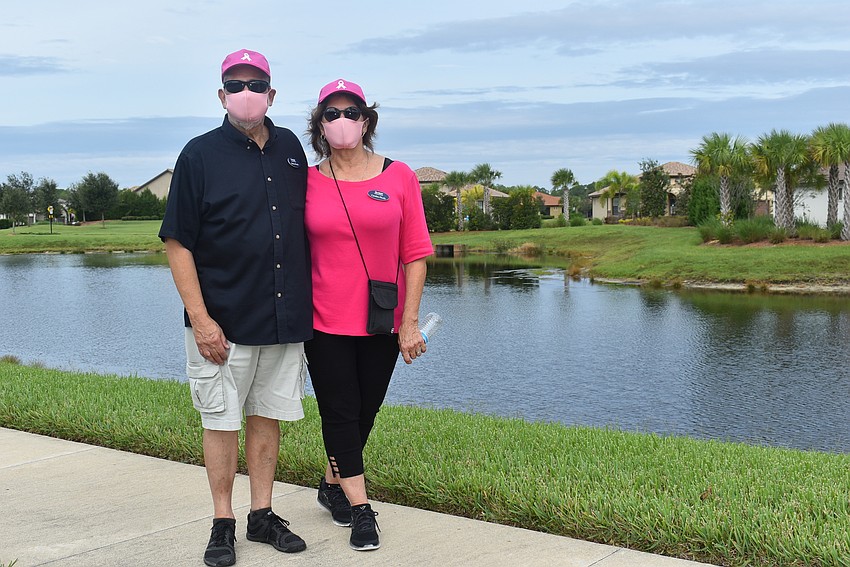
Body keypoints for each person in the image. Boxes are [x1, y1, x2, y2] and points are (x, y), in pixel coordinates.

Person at [159, 49, 312, 567]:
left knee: (268, 416)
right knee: (221, 420)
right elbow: (178, 243)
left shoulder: (291, 147)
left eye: (257, 83)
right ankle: (223, 521)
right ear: (222, 96)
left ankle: (262, 514)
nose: (247, 91)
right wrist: (201, 320)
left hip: (282, 318)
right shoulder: (198, 154)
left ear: (272, 93)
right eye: (236, 83)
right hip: (221, 323)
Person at [304, 78, 433, 551]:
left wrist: (410, 321)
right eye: (331, 114)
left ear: (367, 120)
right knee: (338, 411)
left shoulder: (399, 176)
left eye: (351, 112)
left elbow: (415, 253)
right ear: (320, 125)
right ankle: (361, 510)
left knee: (364, 411)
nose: (342, 122)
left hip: (382, 318)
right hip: (322, 320)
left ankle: (331, 483)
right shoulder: (308, 180)